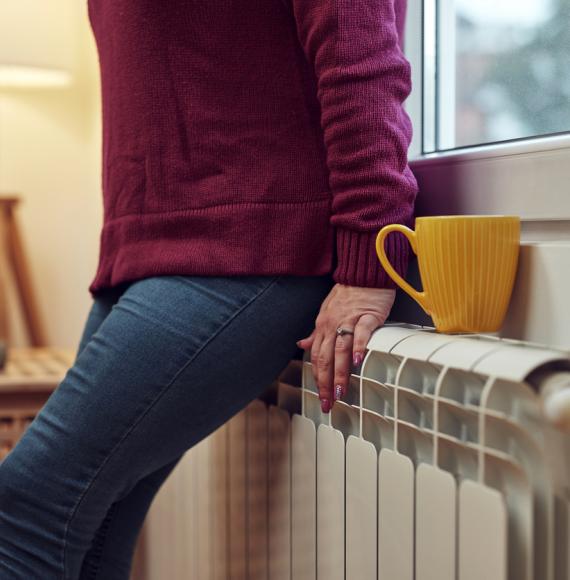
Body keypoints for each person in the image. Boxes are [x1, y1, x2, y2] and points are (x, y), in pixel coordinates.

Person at [0, 0, 417, 577]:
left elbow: (360, 52)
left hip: (252, 244)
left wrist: (371, 255)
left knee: (22, 509)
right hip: (145, 250)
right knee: (91, 531)